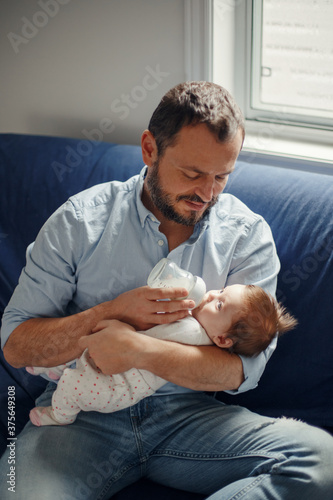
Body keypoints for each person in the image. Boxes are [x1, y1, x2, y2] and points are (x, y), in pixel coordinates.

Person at [1, 81, 333, 499]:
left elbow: (243, 371)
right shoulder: (79, 222)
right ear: (149, 149)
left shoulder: (247, 237)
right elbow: (16, 345)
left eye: (221, 177)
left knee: (321, 462)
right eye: (193, 174)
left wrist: (141, 351)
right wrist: (109, 315)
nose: (207, 194)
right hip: (81, 413)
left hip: (189, 416)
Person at [27, 283, 297, 426]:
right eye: (222, 291)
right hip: (113, 368)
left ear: (222, 339)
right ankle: (57, 369)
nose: (213, 292)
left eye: (219, 303)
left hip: (117, 388)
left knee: (75, 384)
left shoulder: (192, 334)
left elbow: (144, 335)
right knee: (88, 349)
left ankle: (60, 415)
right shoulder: (197, 326)